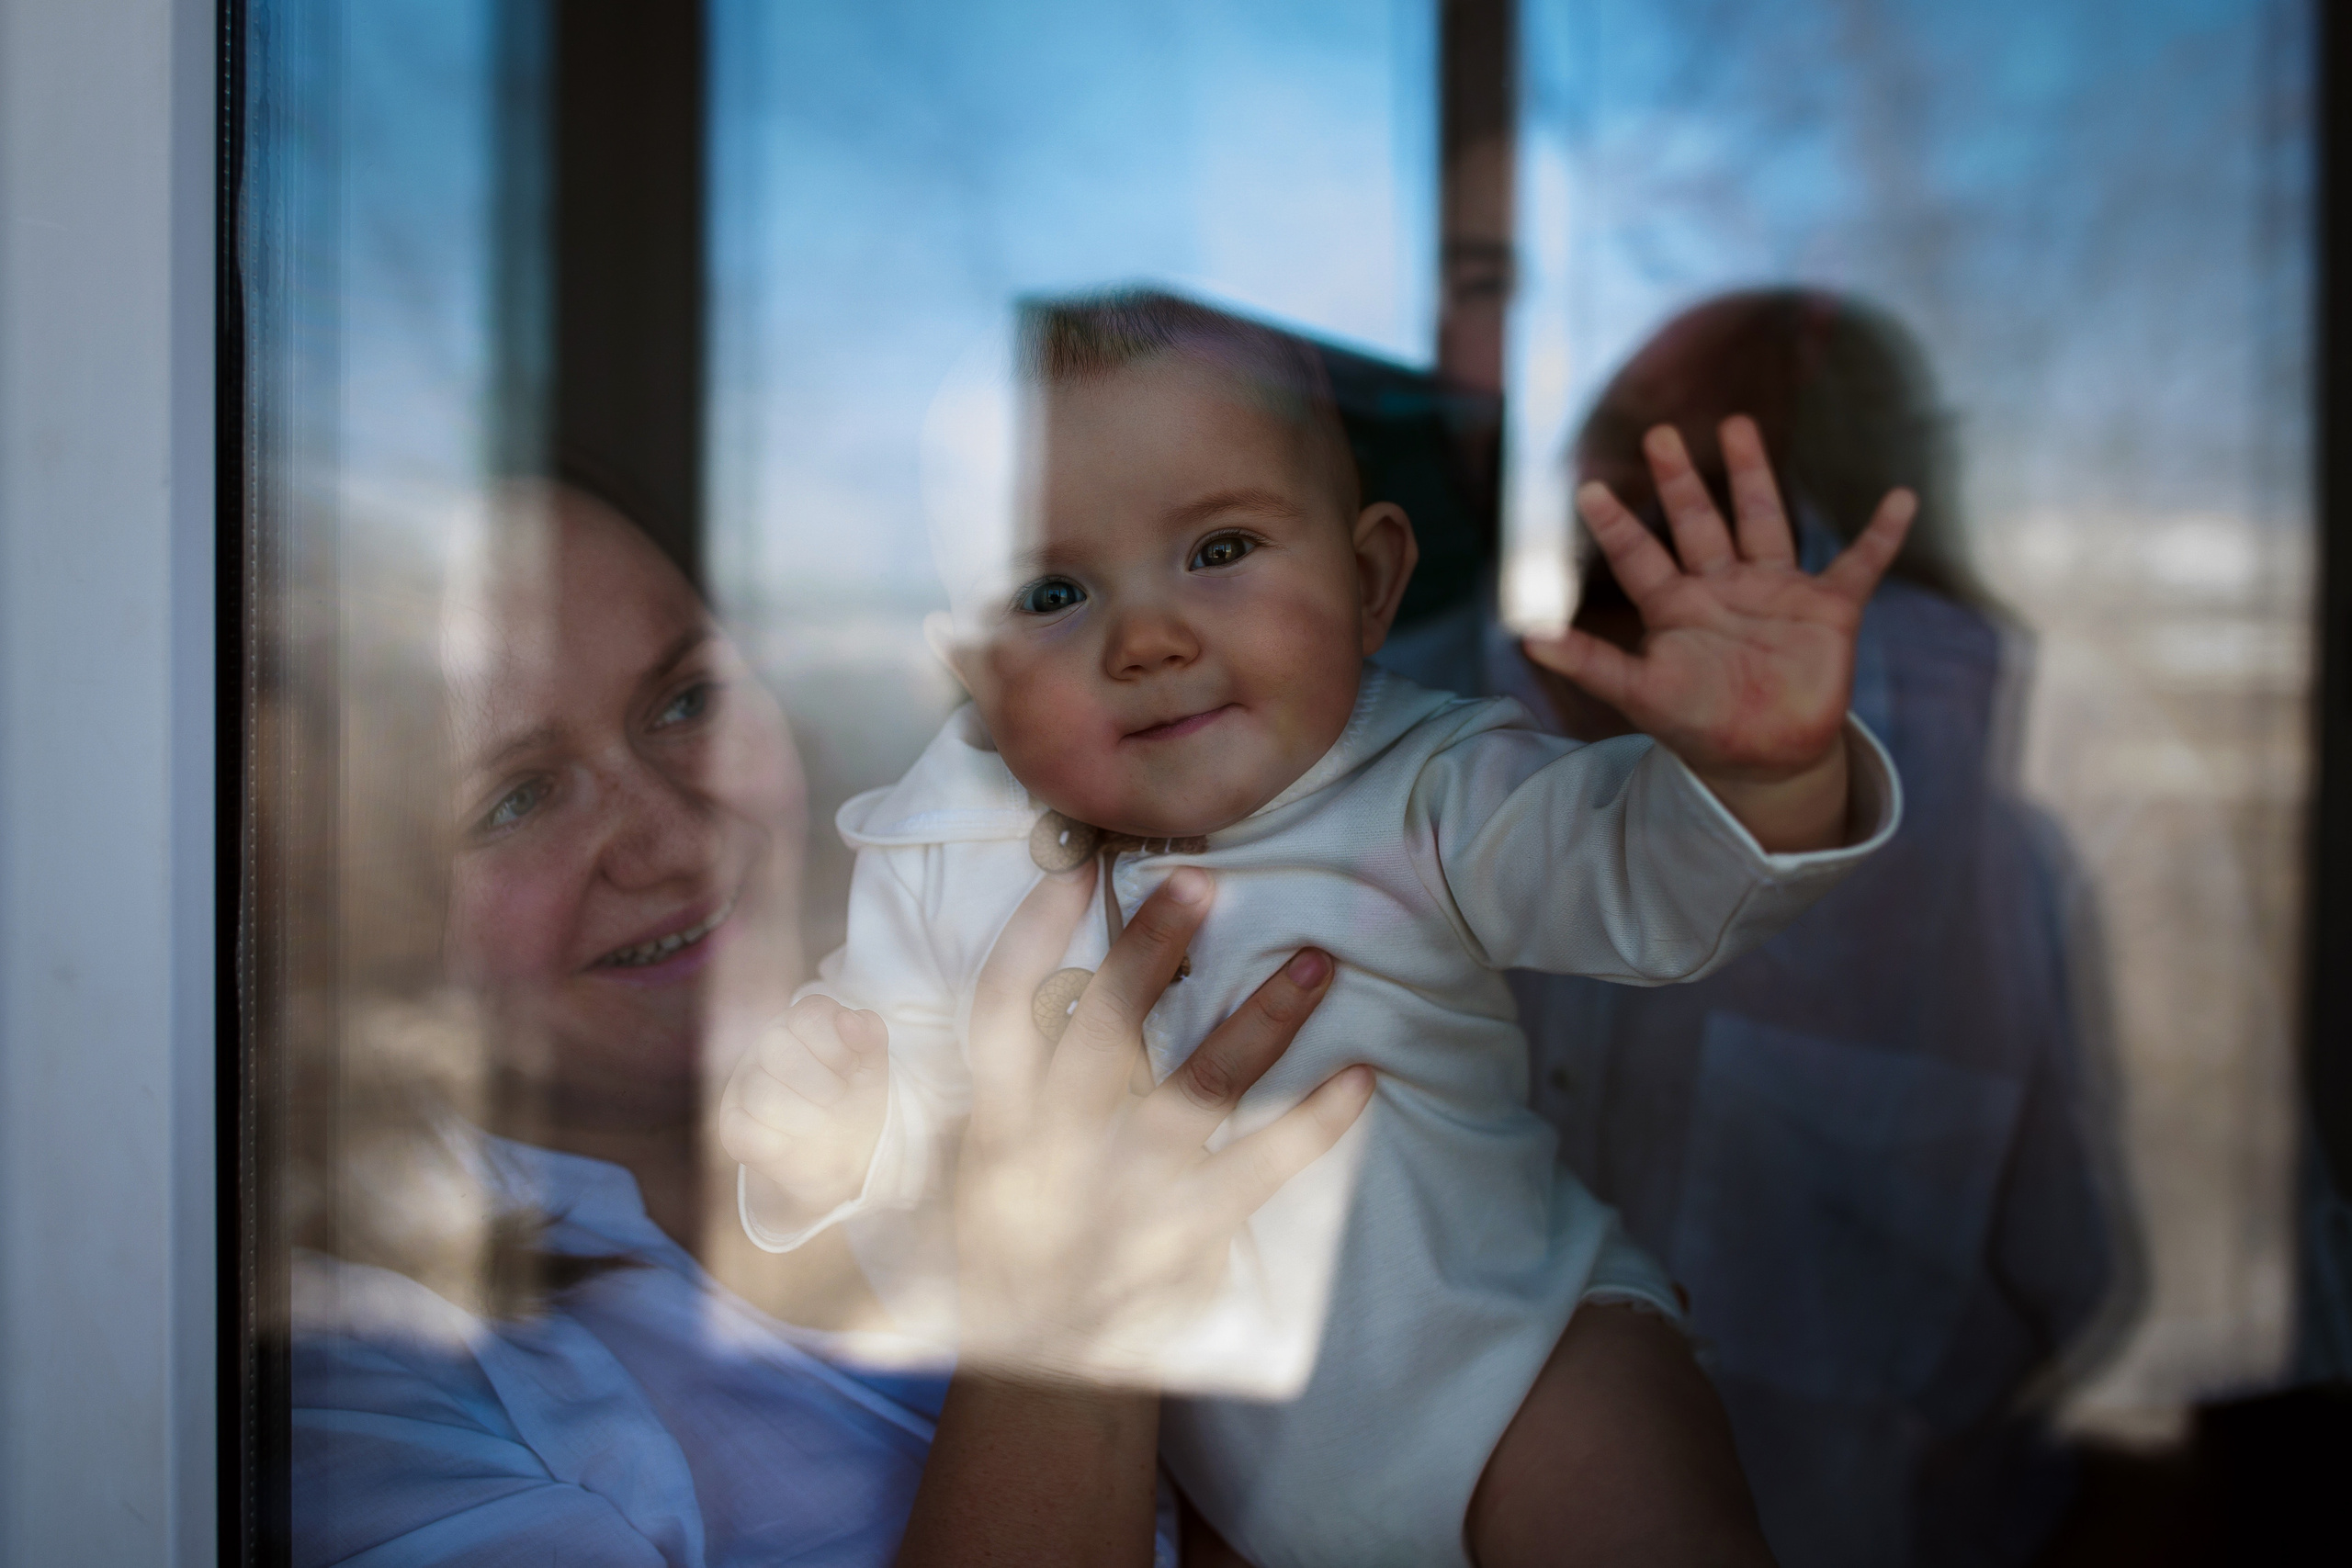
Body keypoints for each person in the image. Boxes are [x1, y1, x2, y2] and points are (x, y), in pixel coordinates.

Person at [721, 291, 1914, 1568]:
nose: (1149, 637)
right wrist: (826, 1139)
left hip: (1523, 1366)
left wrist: (1762, 778)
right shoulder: (939, 851)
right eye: (1053, 589)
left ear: (1371, 581)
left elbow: (1639, 877)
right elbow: (918, 1111)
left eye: (1221, 548)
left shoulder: (1426, 786)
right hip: (1224, 1474)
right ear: (973, 668)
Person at [288, 482, 1373, 1567]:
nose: (680, 838)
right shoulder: (358, 1404)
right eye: (514, 799)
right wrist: (1059, 1321)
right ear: (348, 919)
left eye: (686, 701)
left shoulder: (995, 958)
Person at [1387, 289, 2120, 1567]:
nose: (1642, 469)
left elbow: (2101, 1295)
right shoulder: (1372, 760)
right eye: (1627, 424)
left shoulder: (1999, 859)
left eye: (1742, 444)